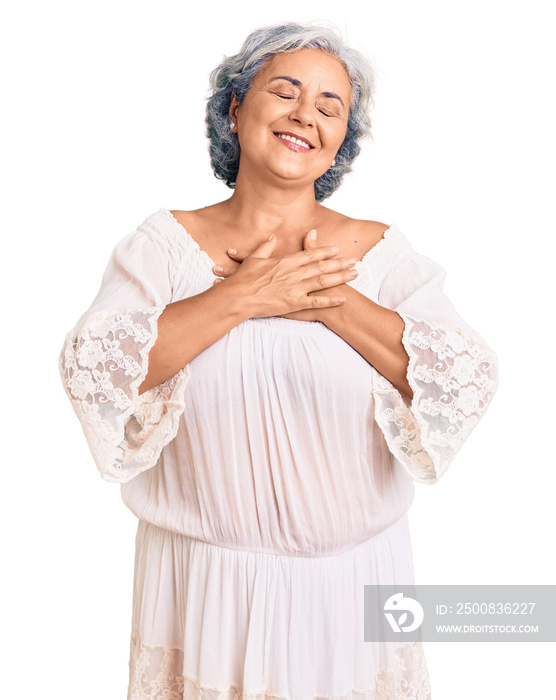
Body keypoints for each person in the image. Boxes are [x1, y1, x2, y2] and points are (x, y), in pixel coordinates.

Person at [59, 21, 498, 700]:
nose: (305, 116)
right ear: (236, 109)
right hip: (206, 588)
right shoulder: (163, 246)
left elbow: (460, 380)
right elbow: (98, 370)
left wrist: (327, 302)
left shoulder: (379, 251)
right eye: (285, 92)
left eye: (330, 107)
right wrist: (240, 297)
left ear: (340, 141)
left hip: (352, 587)